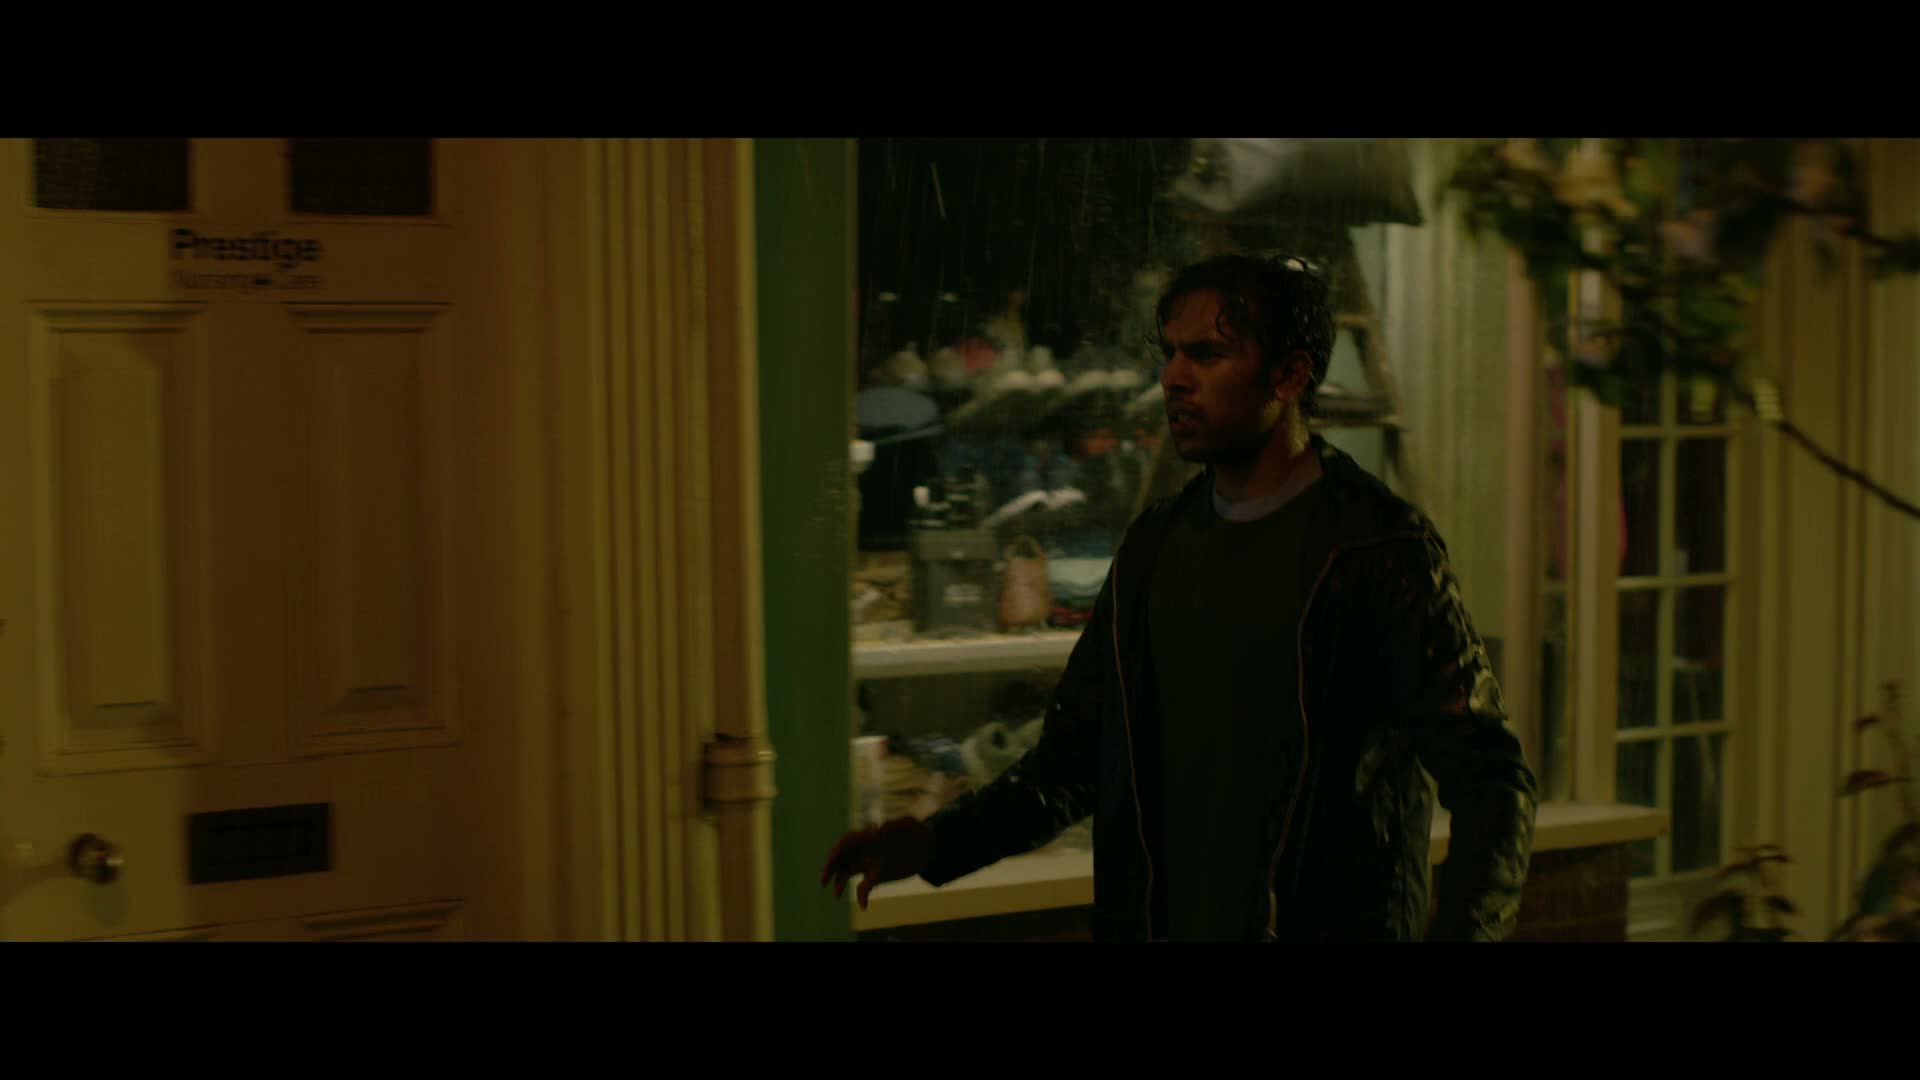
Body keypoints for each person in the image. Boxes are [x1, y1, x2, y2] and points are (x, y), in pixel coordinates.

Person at [822, 254, 1537, 941]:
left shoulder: (1374, 550)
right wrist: (936, 843)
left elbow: (1491, 782)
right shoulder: (1155, 546)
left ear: (1290, 375)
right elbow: (1074, 759)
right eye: (1169, 353)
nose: (1172, 378)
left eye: (1206, 355)